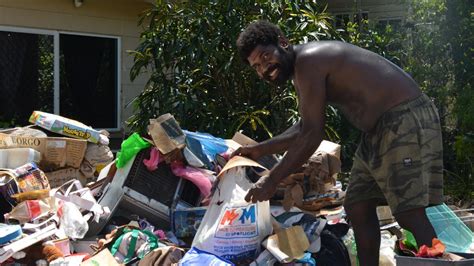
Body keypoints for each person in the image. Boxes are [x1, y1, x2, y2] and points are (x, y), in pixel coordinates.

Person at [233, 20, 443, 265]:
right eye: (256, 66)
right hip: (377, 131)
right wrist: (259, 149)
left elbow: (313, 134)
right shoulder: (302, 69)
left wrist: (273, 178)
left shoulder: (309, 60)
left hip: (402, 119)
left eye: (265, 57)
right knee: (358, 206)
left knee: (409, 212)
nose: (263, 69)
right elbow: (305, 125)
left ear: (283, 42)